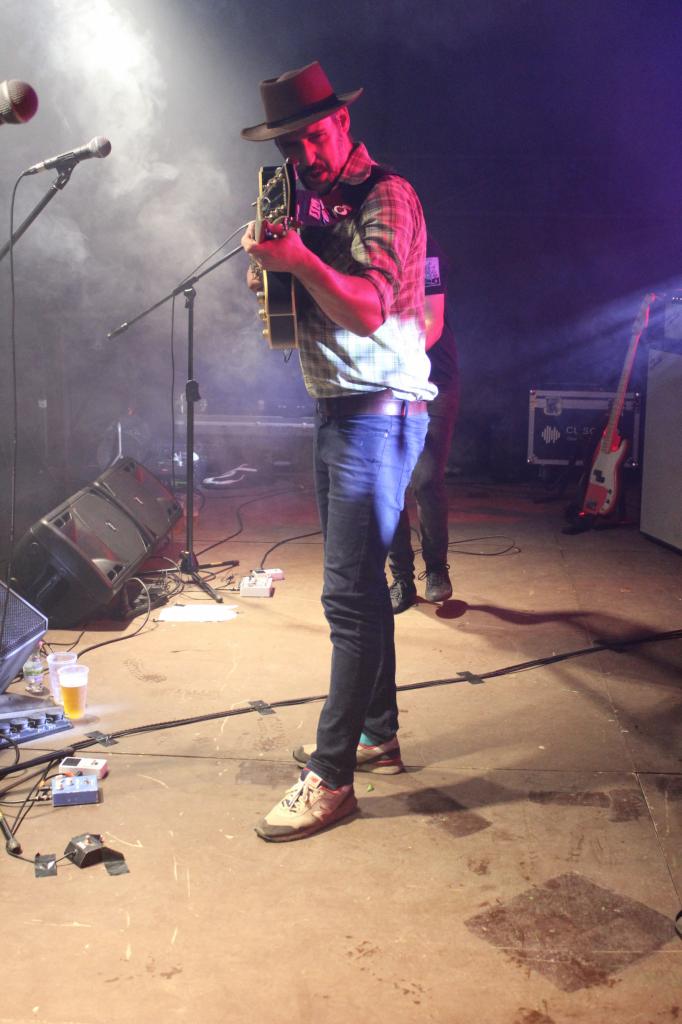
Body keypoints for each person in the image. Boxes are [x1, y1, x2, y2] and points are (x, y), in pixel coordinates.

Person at [240, 61, 436, 841]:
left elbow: (368, 307)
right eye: (290, 146)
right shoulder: (305, 202)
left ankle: (331, 780)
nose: (305, 156)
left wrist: (298, 261)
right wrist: (269, 275)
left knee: (347, 598)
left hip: (378, 415)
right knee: (360, 594)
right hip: (339, 412)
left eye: (314, 137)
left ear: (343, 122)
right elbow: (302, 302)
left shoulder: (387, 195)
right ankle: (377, 734)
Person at [387, 234, 459, 612]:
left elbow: (432, 320)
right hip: (384, 382)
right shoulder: (364, 248)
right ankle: (401, 578)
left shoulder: (427, 253)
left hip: (433, 380)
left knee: (426, 478)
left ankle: (436, 569)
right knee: (390, 483)